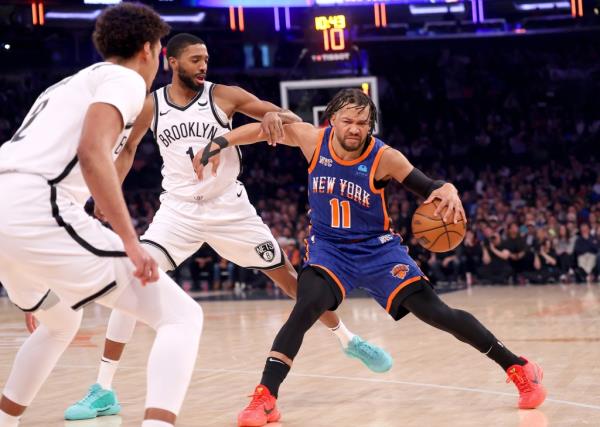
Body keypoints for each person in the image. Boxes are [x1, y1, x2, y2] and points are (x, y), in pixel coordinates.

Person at [60, 33, 390, 421]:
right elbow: (128, 148)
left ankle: (348, 340)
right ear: (173, 61)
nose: (203, 65)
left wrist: (272, 115)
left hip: (229, 210)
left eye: (206, 59)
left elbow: (293, 121)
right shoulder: (152, 106)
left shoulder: (225, 95)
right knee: (134, 281)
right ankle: (103, 389)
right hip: (177, 212)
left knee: (291, 282)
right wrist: (107, 191)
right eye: (196, 59)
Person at [194, 89, 547, 426]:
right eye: (348, 121)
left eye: (363, 123)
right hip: (329, 249)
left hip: (378, 251)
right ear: (332, 119)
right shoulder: (311, 139)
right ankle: (265, 396)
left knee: (437, 313)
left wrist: (448, 188)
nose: (355, 129)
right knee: (306, 306)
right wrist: (218, 142)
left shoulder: (384, 157)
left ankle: (518, 367)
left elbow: (429, 186)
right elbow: (260, 130)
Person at [0, 5, 203, 427]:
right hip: (36, 205)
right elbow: (92, 152)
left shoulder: (63, 86)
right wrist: (131, 242)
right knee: (182, 316)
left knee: (58, 319)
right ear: (148, 49)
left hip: (12, 206)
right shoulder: (125, 79)